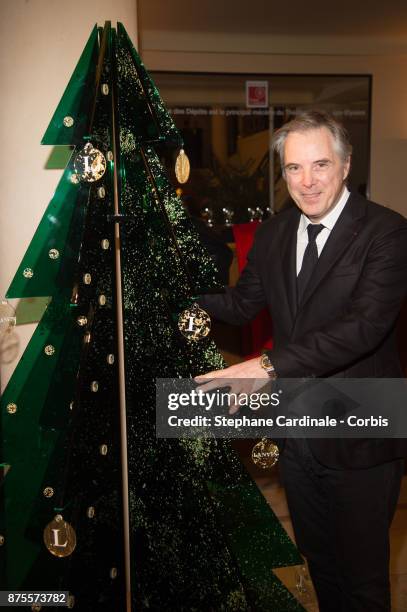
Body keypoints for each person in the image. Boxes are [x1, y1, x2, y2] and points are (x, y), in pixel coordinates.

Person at [196, 110, 407, 611]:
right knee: (319, 564)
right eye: (293, 168)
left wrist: (265, 366)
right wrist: (175, 302)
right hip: (299, 430)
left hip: (363, 429)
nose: (307, 182)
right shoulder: (272, 234)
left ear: (345, 165)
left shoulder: (387, 233)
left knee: (362, 578)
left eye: (320, 165)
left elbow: (363, 328)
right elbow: (242, 304)